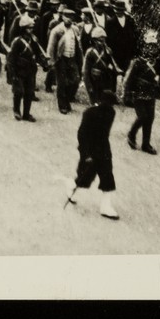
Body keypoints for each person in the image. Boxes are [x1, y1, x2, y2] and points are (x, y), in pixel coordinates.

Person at [64, 89, 120, 221]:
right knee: (85, 179)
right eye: (108, 103)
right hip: (89, 150)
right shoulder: (89, 113)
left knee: (108, 178)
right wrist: (86, 154)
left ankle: (105, 207)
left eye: (111, 104)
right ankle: (71, 184)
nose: (109, 106)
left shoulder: (111, 113)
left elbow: (103, 134)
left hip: (103, 150)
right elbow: (82, 134)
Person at [123, 31, 160, 154]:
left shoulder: (157, 62)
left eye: (154, 46)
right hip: (138, 93)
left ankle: (146, 144)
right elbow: (128, 79)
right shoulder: (138, 62)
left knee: (150, 118)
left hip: (151, 92)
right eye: (149, 45)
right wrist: (127, 94)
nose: (151, 48)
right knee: (142, 116)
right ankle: (131, 134)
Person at [7, 15, 48, 122]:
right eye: (29, 28)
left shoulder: (34, 40)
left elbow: (37, 54)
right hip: (19, 70)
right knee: (18, 91)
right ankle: (16, 110)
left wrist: (44, 63)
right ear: (23, 29)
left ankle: (26, 114)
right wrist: (12, 74)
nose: (31, 30)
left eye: (31, 28)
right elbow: (11, 59)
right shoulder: (17, 41)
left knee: (29, 93)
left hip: (30, 70)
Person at [48, 9, 83, 114]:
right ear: (63, 17)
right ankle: (62, 105)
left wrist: (80, 59)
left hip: (72, 58)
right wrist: (51, 61)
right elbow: (51, 47)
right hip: (61, 59)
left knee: (75, 80)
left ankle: (67, 100)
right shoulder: (57, 30)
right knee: (62, 83)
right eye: (67, 17)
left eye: (71, 17)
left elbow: (78, 45)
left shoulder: (75, 29)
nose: (69, 19)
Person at [81, 27, 119, 104]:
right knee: (95, 102)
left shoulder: (107, 51)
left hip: (104, 79)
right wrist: (89, 86)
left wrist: (113, 69)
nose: (102, 42)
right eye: (100, 40)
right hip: (94, 79)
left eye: (104, 40)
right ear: (94, 40)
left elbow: (110, 64)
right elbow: (86, 71)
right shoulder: (90, 52)